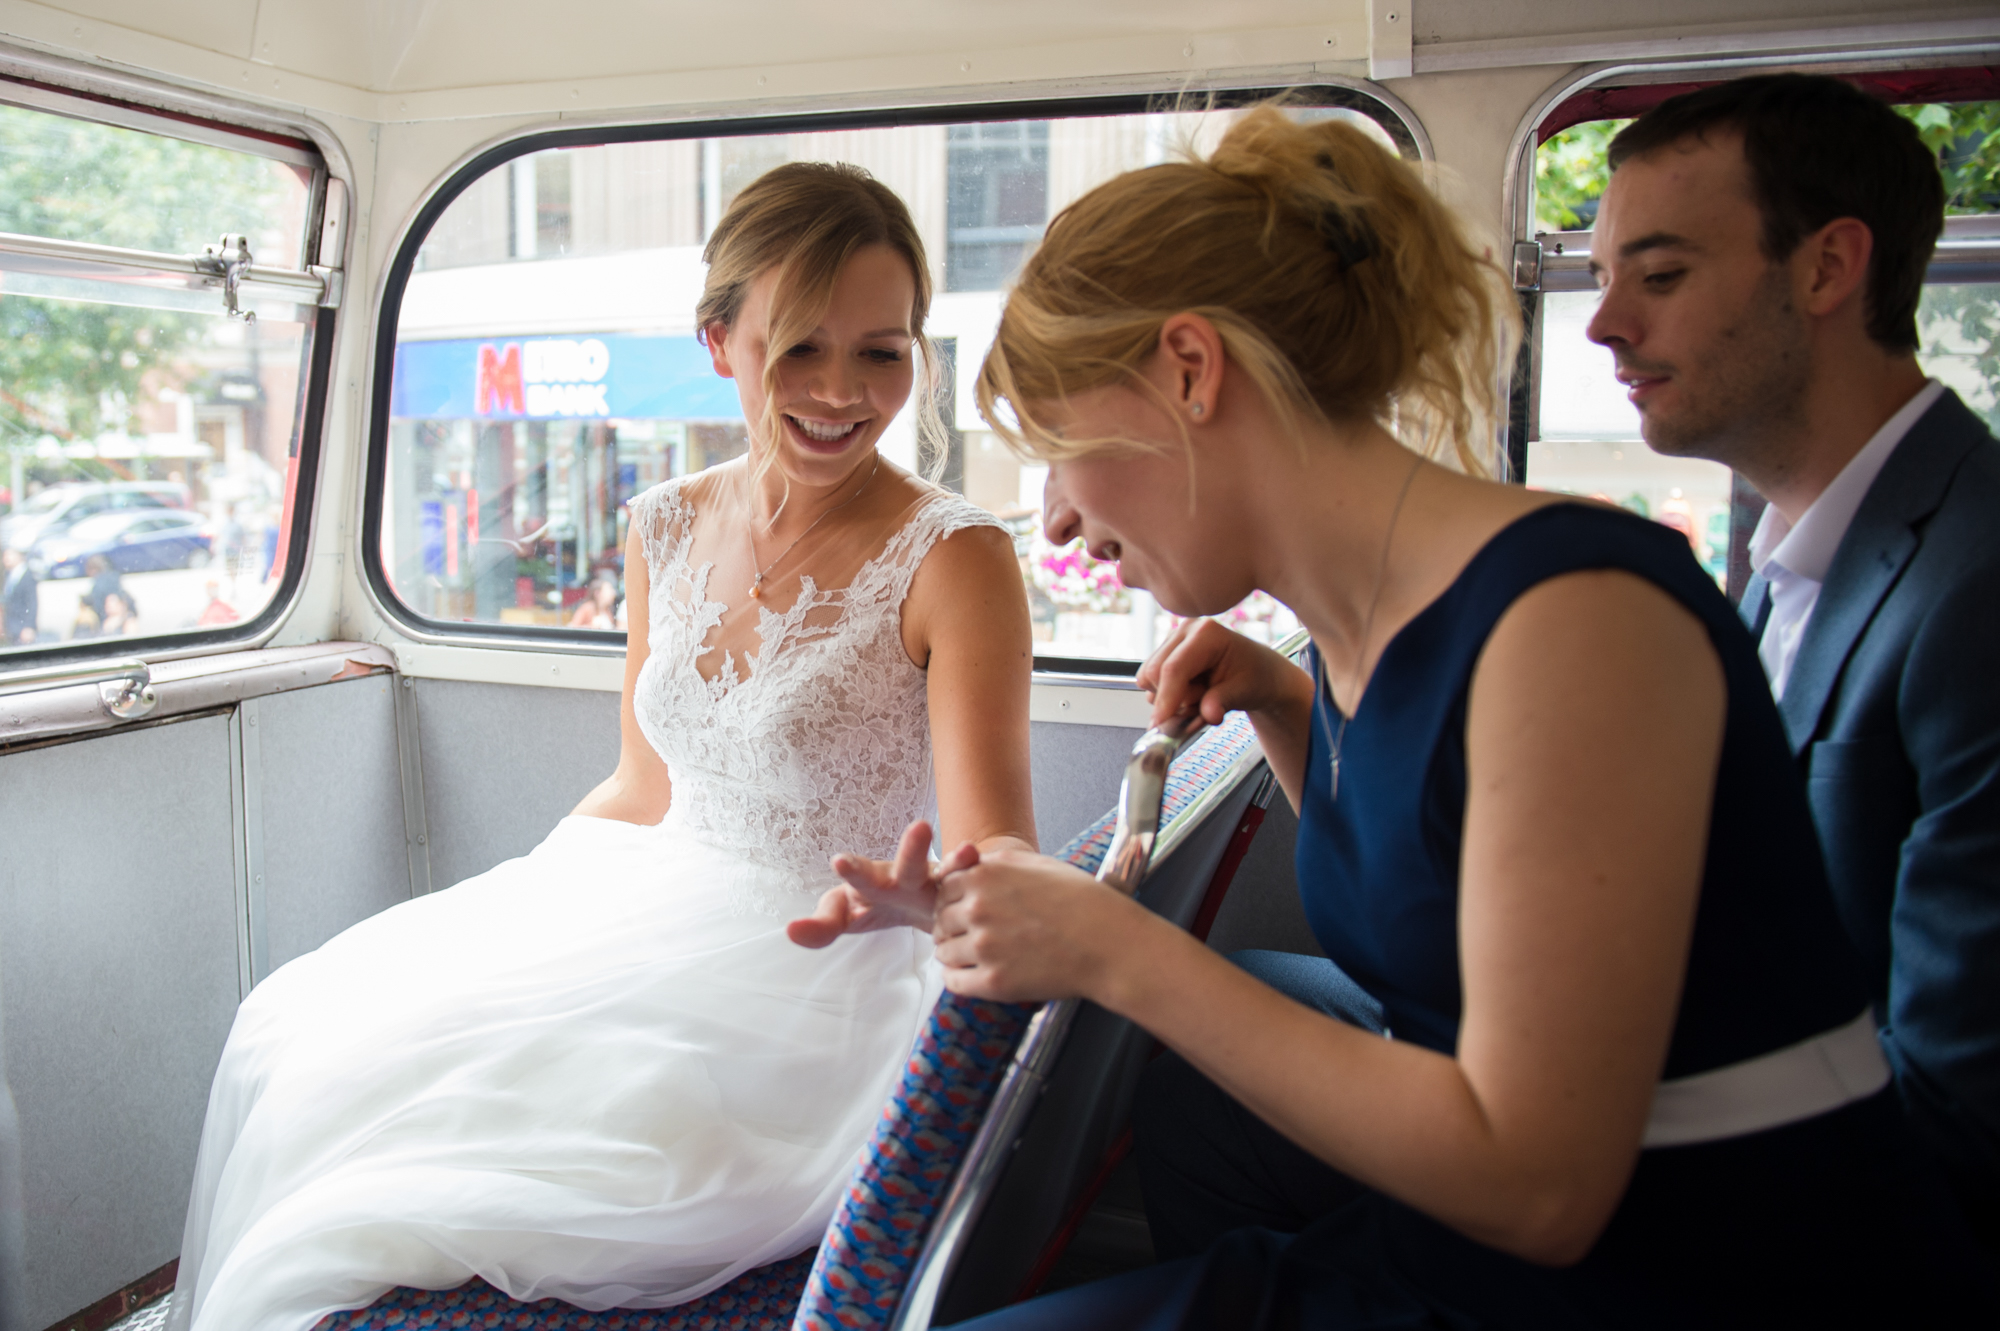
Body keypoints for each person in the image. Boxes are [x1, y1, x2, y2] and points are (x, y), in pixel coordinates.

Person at [850, 107, 1995, 1329]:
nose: (1061, 523)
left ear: (1190, 370)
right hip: (1465, 1248)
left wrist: (1117, 951)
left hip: (1704, 1271)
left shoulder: (1575, 619)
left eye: (1064, 449)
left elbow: (1538, 1184)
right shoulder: (1347, 641)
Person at [168, 162, 1037, 1331]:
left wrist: (930, 899)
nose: (842, 391)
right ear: (720, 341)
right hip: (650, 890)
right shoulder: (665, 521)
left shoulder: (955, 556)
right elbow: (643, 783)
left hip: (824, 964)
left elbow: (998, 864)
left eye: (881, 352)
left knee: (461, 1148)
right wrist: (519, 919)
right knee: (302, 1025)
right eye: (800, 350)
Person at [1586, 74, 2000, 1244]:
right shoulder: (1791, 551)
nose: (1604, 323)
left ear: (1825, 270)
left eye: (1657, 276)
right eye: (1602, 275)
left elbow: (1954, 1112)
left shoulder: (1974, 588)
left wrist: (1553, 1123)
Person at [0, 547, 34, 646]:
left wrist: (29, 626)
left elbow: (32, 602)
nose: (6, 559)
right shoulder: (8, 574)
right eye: (4, 556)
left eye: (9, 555)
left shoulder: (27, 576)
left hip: (21, 625)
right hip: (10, 625)